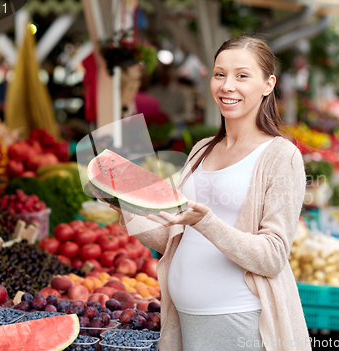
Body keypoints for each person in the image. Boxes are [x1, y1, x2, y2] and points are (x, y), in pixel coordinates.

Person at [94, 36, 310, 351]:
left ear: (268, 84)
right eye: (219, 74)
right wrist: (124, 200)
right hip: (185, 318)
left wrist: (206, 222)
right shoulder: (200, 151)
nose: (227, 85)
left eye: (242, 76)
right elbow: (170, 238)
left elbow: (272, 256)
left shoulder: (281, 156)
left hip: (238, 319)